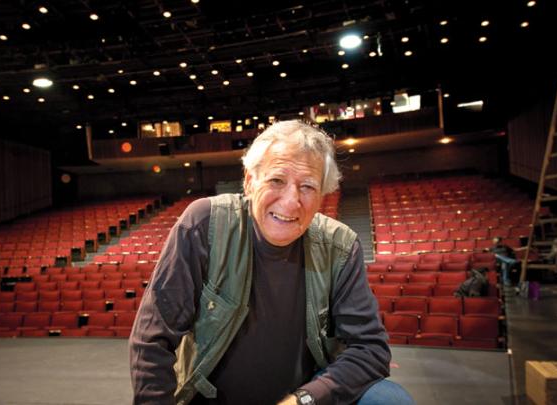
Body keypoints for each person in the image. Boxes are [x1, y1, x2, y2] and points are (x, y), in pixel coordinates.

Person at [129, 120, 413, 405]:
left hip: (303, 399)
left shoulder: (340, 246)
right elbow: (152, 339)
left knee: (389, 399)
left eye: (307, 187)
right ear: (250, 181)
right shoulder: (205, 224)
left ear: (322, 196)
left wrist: (304, 399)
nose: (291, 202)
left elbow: (370, 348)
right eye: (277, 180)